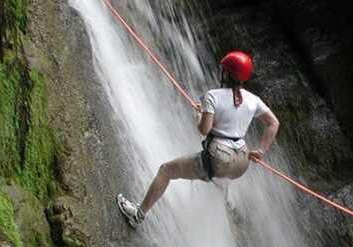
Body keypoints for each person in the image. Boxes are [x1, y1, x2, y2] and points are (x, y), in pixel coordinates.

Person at [117, 50, 280, 228]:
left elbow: (204, 129)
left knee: (166, 170)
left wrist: (200, 114)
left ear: (225, 73)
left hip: (219, 157)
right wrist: (261, 150)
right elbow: (273, 123)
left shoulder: (213, 96)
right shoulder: (254, 100)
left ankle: (138, 215)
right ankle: (227, 203)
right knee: (223, 175)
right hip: (241, 161)